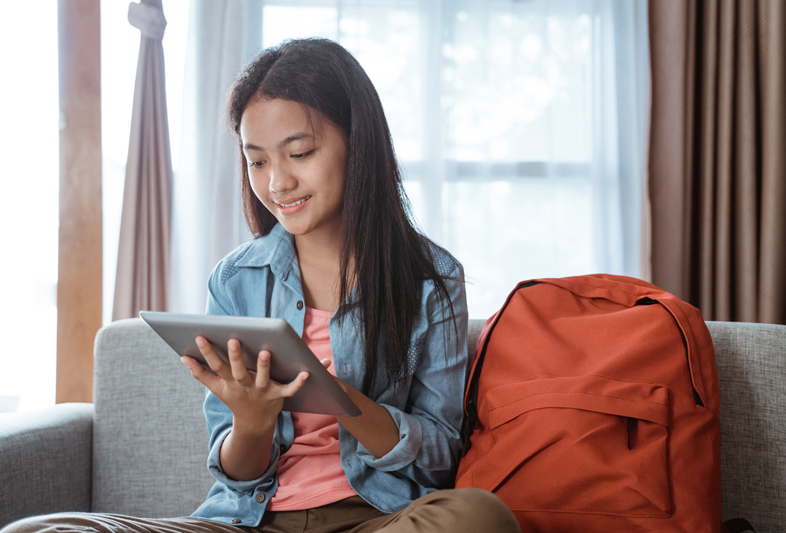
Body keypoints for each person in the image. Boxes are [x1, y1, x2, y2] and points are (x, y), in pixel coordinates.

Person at [2, 38, 519, 533]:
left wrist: (340, 397)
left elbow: (439, 457)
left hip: (377, 520)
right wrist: (252, 421)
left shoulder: (432, 279)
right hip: (247, 522)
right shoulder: (235, 280)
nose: (277, 183)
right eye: (257, 160)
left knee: (479, 517)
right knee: (41, 529)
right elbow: (236, 474)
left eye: (299, 152)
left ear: (357, 144)